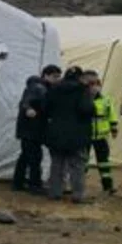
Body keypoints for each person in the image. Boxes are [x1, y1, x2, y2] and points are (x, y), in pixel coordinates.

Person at [45, 66, 96, 202]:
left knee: (57, 164)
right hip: (77, 134)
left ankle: (55, 192)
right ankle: (78, 195)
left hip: (56, 132)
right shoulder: (82, 90)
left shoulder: (54, 88)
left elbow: (46, 108)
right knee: (77, 166)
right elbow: (86, 109)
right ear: (80, 77)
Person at [13, 65, 61, 194]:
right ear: (46, 75)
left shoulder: (44, 87)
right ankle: (34, 184)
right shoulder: (38, 88)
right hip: (31, 129)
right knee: (35, 156)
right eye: (55, 76)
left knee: (25, 156)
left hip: (30, 128)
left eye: (58, 77)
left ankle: (18, 182)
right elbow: (25, 102)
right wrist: (28, 109)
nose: (57, 79)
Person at [84, 70, 120, 195]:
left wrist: (114, 128)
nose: (95, 88)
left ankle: (108, 185)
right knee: (83, 161)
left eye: (97, 85)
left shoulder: (106, 99)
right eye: (92, 85)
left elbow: (112, 114)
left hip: (101, 136)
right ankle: (79, 185)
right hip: (86, 135)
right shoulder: (83, 99)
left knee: (104, 161)